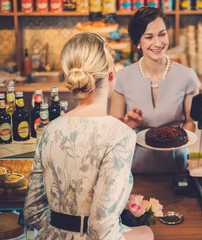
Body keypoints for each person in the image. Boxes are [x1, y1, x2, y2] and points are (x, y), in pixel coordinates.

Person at [24, 32, 154, 240]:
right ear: (112, 74)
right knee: (147, 233)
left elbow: (33, 212)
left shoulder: (50, 130)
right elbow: (102, 230)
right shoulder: (120, 135)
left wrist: (61, 230)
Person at [110, 6, 200, 174]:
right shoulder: (122, 78)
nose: (158, 43)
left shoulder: (187, 76)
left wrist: (173, 141)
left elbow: (191, 121)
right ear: (137, 42)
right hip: (135, 166)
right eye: (149, 37)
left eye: (162, 34)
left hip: (176, 165)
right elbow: (115, 132)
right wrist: (128, 126)